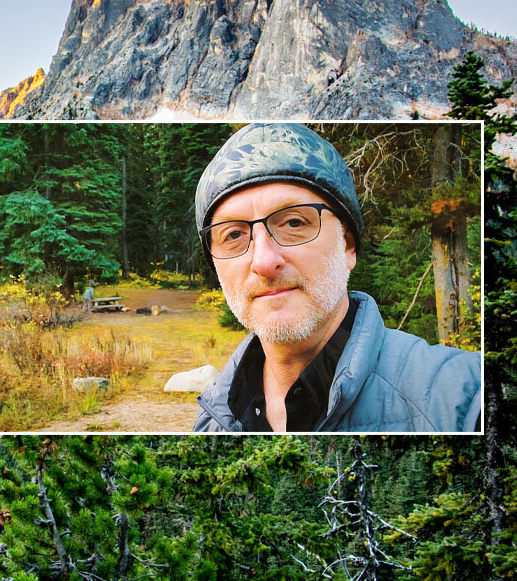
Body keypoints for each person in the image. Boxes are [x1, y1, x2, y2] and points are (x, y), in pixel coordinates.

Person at [191, 123, 482, 432]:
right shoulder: (213, 421)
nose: (263, 261)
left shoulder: (464, 398)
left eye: (293, 222)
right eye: (233, 234)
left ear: (348, 245)